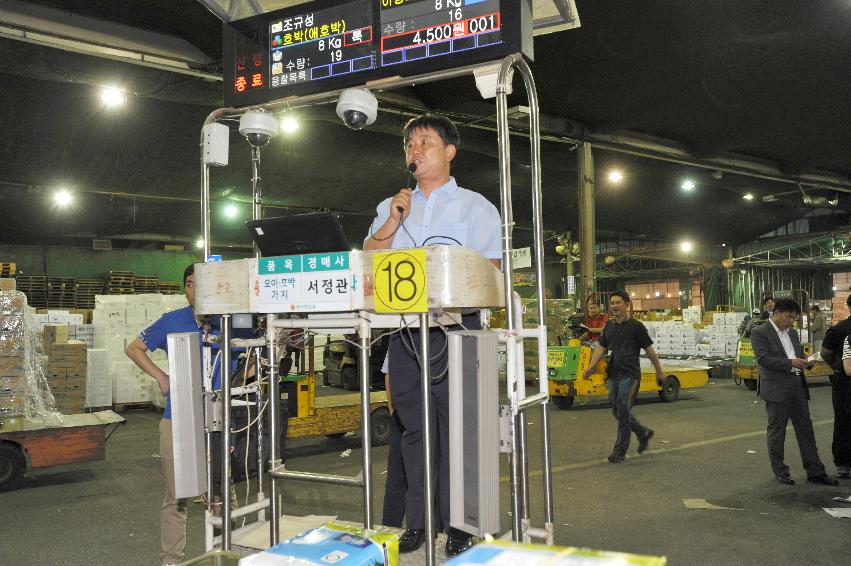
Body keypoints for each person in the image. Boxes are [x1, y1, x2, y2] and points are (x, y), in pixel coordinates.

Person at [364, 114, 501, 556]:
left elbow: (492, 271)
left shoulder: (475, 207)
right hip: (405, 332)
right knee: (414, 431)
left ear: (449, 152)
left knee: (458, 430)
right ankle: (419, 522)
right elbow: (369, 259)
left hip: (458, 330)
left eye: (424, 142)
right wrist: (392, 220)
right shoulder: (393, 206)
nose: (415, 151)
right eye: (409, 146)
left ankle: (461, 525)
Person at [125, 264, 234, 566]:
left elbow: (252, 359)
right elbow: (134, 348)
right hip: (178, 418)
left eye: (201, 283)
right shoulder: (172, 321)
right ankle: (172, 560)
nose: (194, 290)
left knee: (222, 492)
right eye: (189, 284)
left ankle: (230, 551)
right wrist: (162, 377)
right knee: (177, 496)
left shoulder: (232, 322)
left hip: (219, 417)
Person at [750, 298, 838, 486]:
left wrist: (807, 362)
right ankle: (780, 471)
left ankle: (815, 471)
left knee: (806, 429)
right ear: (776, 313)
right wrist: (791, 363)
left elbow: (796, 356)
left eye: (794, 318)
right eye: (788, 317)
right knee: (777, 431)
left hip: (797, 386)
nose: (791, 321)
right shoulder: (760, 333)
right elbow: (763, 359)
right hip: (776, 389)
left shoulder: (792, 334)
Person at [581, 291, 666, 463]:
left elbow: (650, 351)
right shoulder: (609, 327)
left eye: (618, 303)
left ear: (627, 305)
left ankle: (620, 450)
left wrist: (659, 371)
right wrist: (591, 367)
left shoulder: (636, 326)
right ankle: (642, 433)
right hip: (613, 374)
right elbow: (601, 348)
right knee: (616, 409)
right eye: (612, 303)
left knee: (623, 411)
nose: (614, 306)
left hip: (630, 376)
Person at [821, 295, 851, 479]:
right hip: (845, 380)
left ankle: (843, 464)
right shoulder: (841, 331)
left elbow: (825, 353)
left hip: (842, 382)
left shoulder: (837, 329)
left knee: (842, 421)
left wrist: (836, 367)